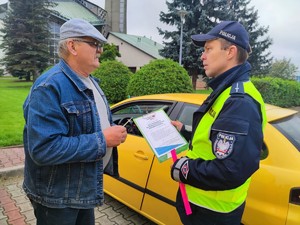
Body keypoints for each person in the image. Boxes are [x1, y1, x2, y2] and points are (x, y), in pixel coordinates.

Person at [22, 18, 127, 225]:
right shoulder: (49, 86)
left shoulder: (91, 81)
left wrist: (110, 129)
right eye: (94, 44)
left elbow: (92, 122)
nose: (100, 50)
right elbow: (44, 148)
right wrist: (102, 139)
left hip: (83, 189)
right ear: (72, 46)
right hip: (57, 198)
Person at [170, 21, 267, 225]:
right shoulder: (226, 90)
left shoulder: (239, 101)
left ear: (230, 51)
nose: (202, 56)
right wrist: (185, 131)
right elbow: (217, 139)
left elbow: (231, 170)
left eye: (208, 49)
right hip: (199, 204)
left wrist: (184, 168)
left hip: (211, 212)